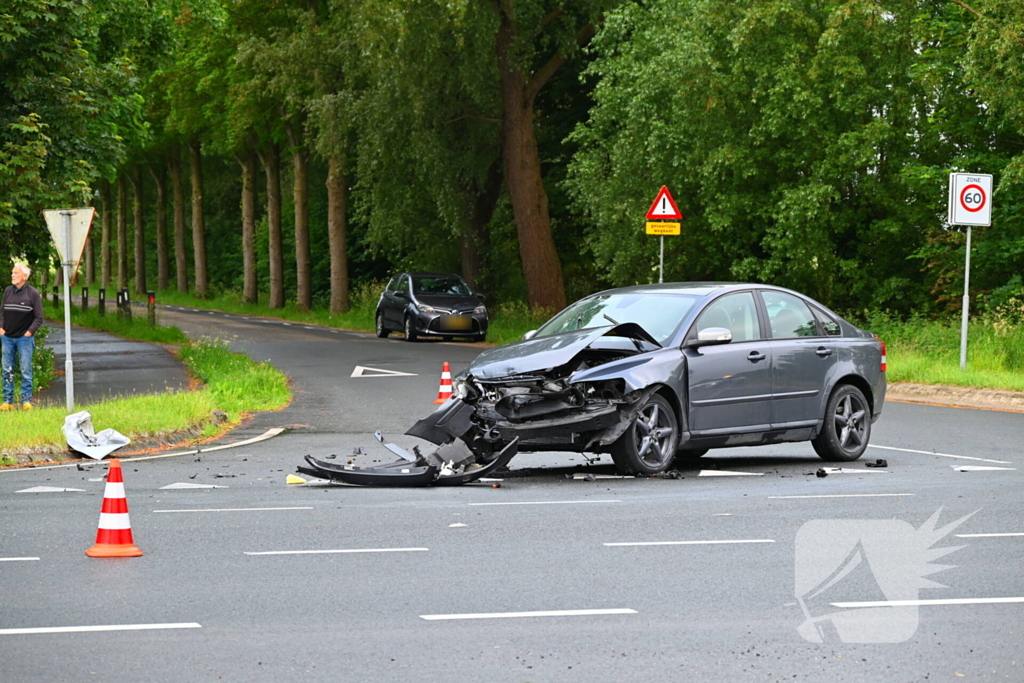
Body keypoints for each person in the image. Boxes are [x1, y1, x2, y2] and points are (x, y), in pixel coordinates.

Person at [0, 263, 44, 410]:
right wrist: (1, 328)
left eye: (16, 273)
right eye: (12, 272)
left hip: (24, 339)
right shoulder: (7, 291)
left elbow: (39, 318)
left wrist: (28, 333)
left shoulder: (33, 293)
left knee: (25, 369)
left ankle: (26, 401)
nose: (12, 275)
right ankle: (8, 401)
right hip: (7, 337)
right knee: (7, 369)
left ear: (25, 276)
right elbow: (2, 312)